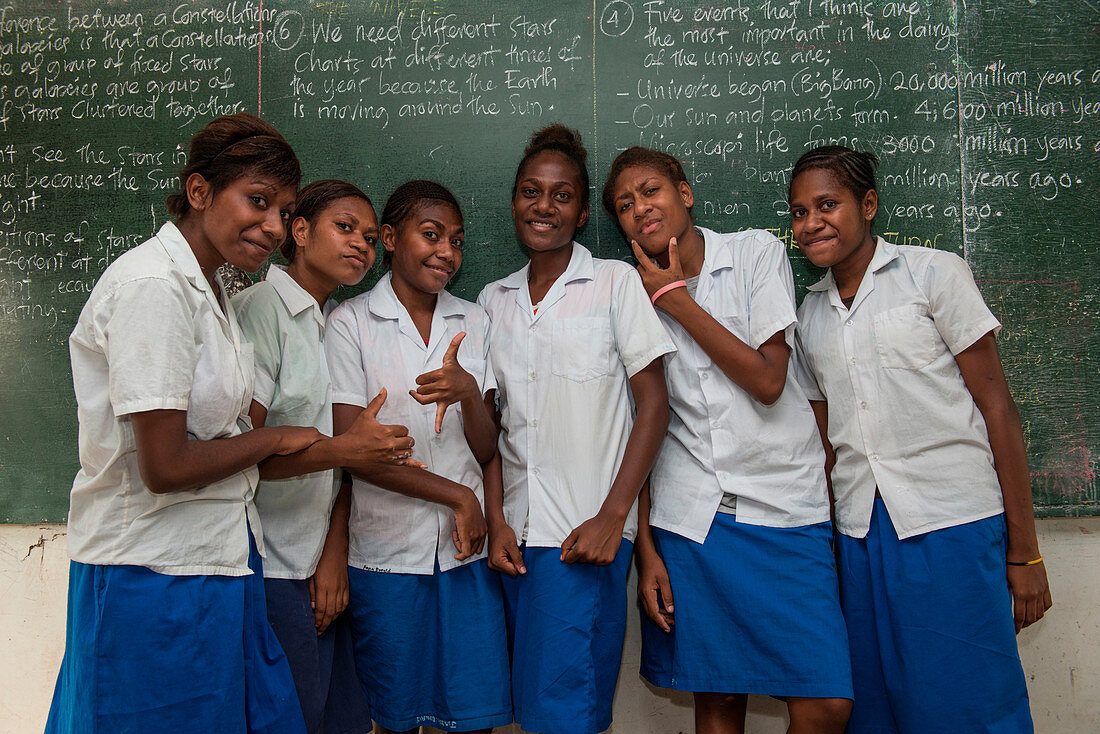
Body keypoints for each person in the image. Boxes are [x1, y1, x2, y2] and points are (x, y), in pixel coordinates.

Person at [47, 113, 326, 733]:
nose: (275, 228)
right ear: (199, 193)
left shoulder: (214, 290)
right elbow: (165, 467)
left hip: (216, 562)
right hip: (150, 576)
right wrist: (275, 437)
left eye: (283, 211)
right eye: (258, 202)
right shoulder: (154, 287)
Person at [788, 145, 1052, 733]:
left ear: (869, 204)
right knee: (877, 705)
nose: (811, 223)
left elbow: (998, 408)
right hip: (858, 532)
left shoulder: (933, 274)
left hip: (950, 522)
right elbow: (826, 442)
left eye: (827, 205)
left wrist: (1025, 549)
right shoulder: (809, 315)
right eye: (799, 212)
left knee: (968, 701)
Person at [602, 146, 853, 734]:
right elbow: (637, 423)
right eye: (624, 204)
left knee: (826, 703)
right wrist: (645, 553)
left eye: (651, 191)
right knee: (718, 702)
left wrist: (678, 302)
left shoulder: (754, 253)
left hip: (786, 508)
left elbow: (768, 380)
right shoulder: (624, 293)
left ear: (684, 194)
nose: (640, 208)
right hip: (693, 520)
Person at [479, 125, 675, 734]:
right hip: (513, 542)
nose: (545, 206)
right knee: (531, 710)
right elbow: (490, 427)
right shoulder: (491, 301)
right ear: (514, 201)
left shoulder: (615, 285)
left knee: (566, 715)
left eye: (562, 196)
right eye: (531, 192)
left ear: (583, 210)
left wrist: (614, 518)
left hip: (582, 540)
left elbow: (655, 406)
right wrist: (496, 521)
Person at [325, 180, 511, 734]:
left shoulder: (474, 319)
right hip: (385, 552)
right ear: (388, 238)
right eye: (431, 236)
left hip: (465, 556)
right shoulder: (350, 323)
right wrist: (457, 496)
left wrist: (469, 392)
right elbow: (350, 452)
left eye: (456, 240)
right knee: (393, 715)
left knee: (471, 713)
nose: (447, 253)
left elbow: (487, 444)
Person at [233, 179, 394, 733]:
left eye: (370, 238)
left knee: (338, 718)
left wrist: (333, 550)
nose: (360, 246)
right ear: (298, 232)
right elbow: (239, 454)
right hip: (270, 561)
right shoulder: (261, 312)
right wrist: (347, 449)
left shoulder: (336, 323)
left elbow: (338, 465)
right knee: (289, 716)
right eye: (345, 228)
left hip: (319, 558)